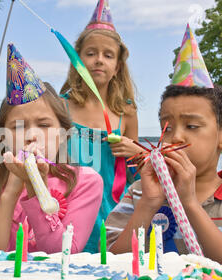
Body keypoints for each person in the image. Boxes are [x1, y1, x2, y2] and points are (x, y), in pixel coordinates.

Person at [106, 25, 222, 272]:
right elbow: (111, 260)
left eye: (192, 126)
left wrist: (189, 203)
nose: (174, 138)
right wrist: (149, 203)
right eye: (167, 127)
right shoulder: (140, 193)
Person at [0, 43, 103, 254]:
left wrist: (34, 188)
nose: (31, 136)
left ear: (63, 132)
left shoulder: (85, 181)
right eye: (17, 127)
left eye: (44, 125)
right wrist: (11, 192)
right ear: (2, 136)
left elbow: (61, 253)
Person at [59, 0, 143, 253]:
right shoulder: (60, 107)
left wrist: (133, 150)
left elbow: (137, 170)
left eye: (108, 55)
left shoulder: (126, 112)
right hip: (68, 206)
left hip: (113, 209)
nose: (99, 60)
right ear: (78, 59)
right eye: (90, 53)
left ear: (117, 66)